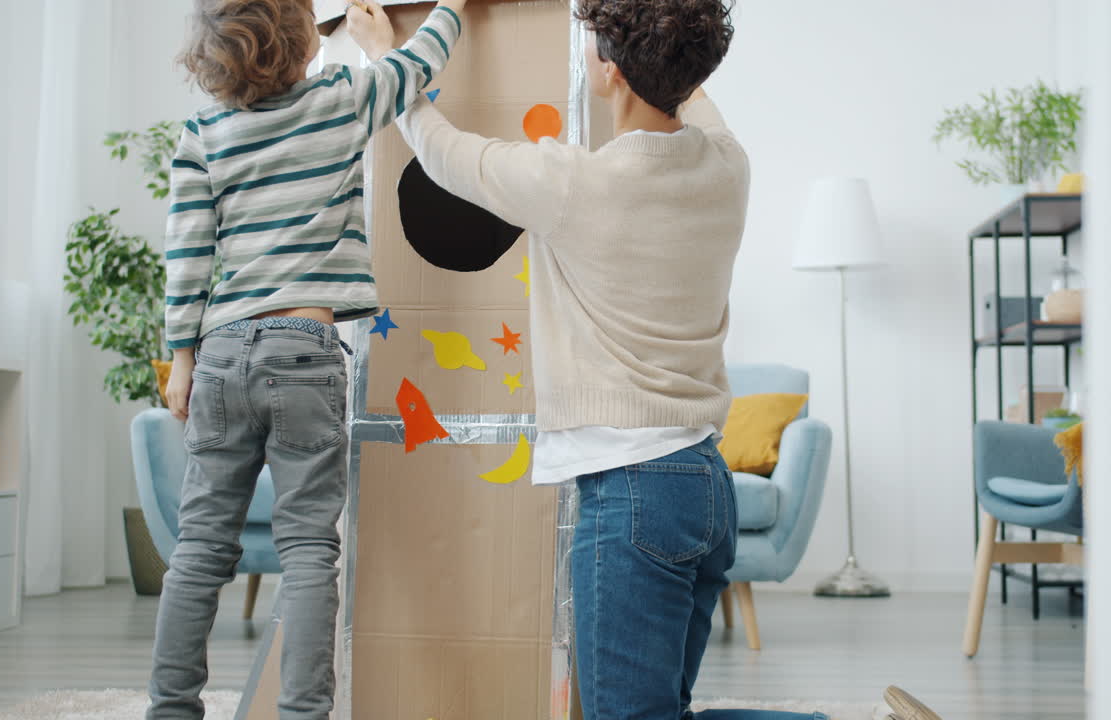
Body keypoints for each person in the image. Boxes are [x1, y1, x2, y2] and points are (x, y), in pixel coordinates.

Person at [394, 1, 943, 719]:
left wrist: (389, 59)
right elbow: (693, 95)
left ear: (611, 69)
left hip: (633, 495)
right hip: (703, 487)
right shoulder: (727, 166)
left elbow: (443, 152)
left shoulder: (575, 184)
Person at [148, 1, 465, 717]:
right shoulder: (339, 101)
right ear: (300, 44)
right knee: (307, 553)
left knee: (198, 550)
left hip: (223, 352)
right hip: (305, 351)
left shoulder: (203, 133)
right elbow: (416, 66)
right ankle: (302, 713)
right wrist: (451, 7)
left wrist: (181, 357)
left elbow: (188, 255)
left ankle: (169, 709)